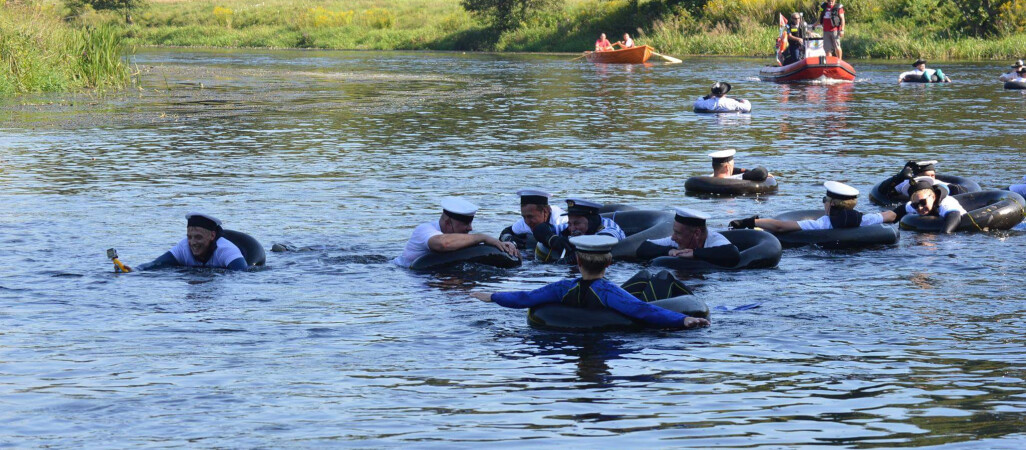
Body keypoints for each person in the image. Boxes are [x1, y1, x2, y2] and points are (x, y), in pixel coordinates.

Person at [470, 235, 710, 330]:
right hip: (618, 319)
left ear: (577, 261)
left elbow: (526, 298)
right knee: (660, 277)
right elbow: (642, 310)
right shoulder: (610, 293)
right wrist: (682, 318)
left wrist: (492, 296)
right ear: (609, 263)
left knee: (646, 277)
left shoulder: (562, 288)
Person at [393, 197, 519, 268]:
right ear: (448, 223)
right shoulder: (424, 230)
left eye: (470, 223)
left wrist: (504, 246)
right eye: (465, 223)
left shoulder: (461, 238)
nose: (470, 228)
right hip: (405, 272)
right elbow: (443, 244)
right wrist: (483, 237)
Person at [729, 181, 898, 232]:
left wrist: (751, 222)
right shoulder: (865, 220)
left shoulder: (822, 224)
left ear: (832, 203)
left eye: (825, 199)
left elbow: (780, 226)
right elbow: (890, 215)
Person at [127, 213, 248, 271]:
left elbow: (243, 274)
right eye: (189, 237)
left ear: (212, 236)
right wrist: (135, 270)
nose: (193, 243)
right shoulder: (183, 247)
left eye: (198, 237)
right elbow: (156, 264)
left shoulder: (226, 250)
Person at [636, 207, 741, 267]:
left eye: (678, 233)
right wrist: (669, 251)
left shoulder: (715, 240)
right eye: (674, 232)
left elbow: (733, 254)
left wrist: (695, 253)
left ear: (697, 233)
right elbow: (643, 248)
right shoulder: (675, 241)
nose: (673, 237)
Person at [532, 198, 626, 262]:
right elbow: (540, 229)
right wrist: (553, 239)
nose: (572, 229)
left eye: (577, 224)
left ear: (591, 221)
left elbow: (603, 241)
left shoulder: (609, 226)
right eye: (570, 224)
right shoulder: (569, 227)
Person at [892, 177, 967, 234]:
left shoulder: (945, 202)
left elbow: (954, 215)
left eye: (923, 202)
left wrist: (942, 236)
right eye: (915, 205)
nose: (920, 207)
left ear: (933, 197)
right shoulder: (914, 205)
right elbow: (896, 212)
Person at [498, 189, 567, 249]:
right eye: (524, 217)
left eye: (530, 216)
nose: (527, 222)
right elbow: (506, 231)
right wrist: (511, 241)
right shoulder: (525, 221)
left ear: (545, 211)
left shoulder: (562, 220)